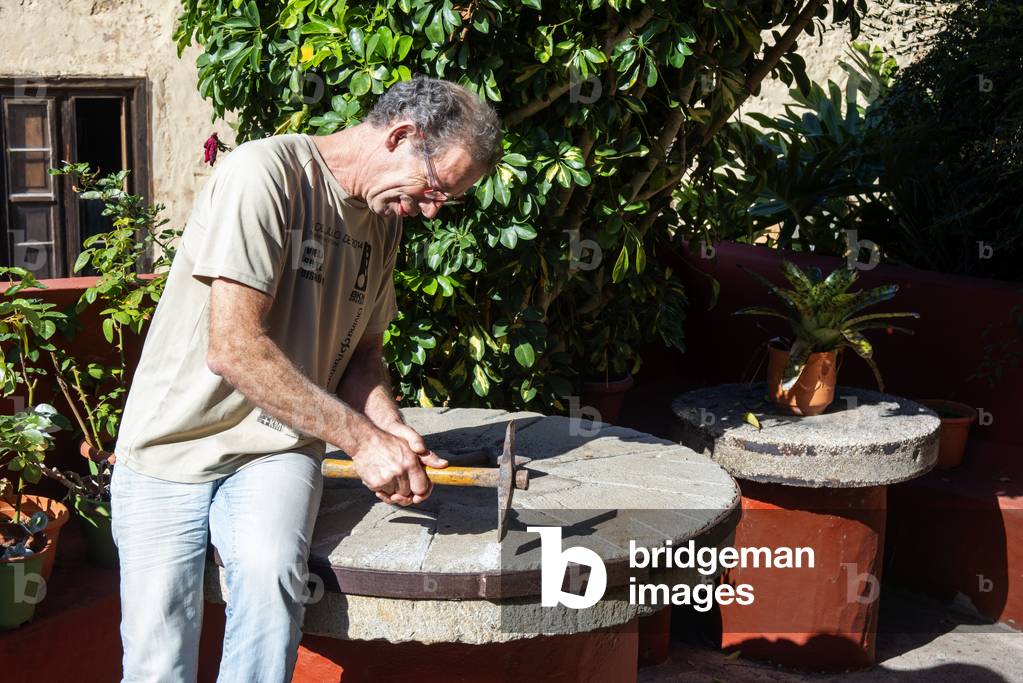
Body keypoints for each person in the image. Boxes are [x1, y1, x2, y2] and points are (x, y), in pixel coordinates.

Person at [110, 76, 502, 682]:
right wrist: (363, 442)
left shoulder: (382, 219)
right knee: (159, 655)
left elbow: (362, 352)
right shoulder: (265, 175)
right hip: (171, 444)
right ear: (402, 136)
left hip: (279, 445)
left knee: (272, 592)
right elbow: (234, 349)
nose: (428, 211)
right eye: (433, 190)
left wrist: (388, 423)